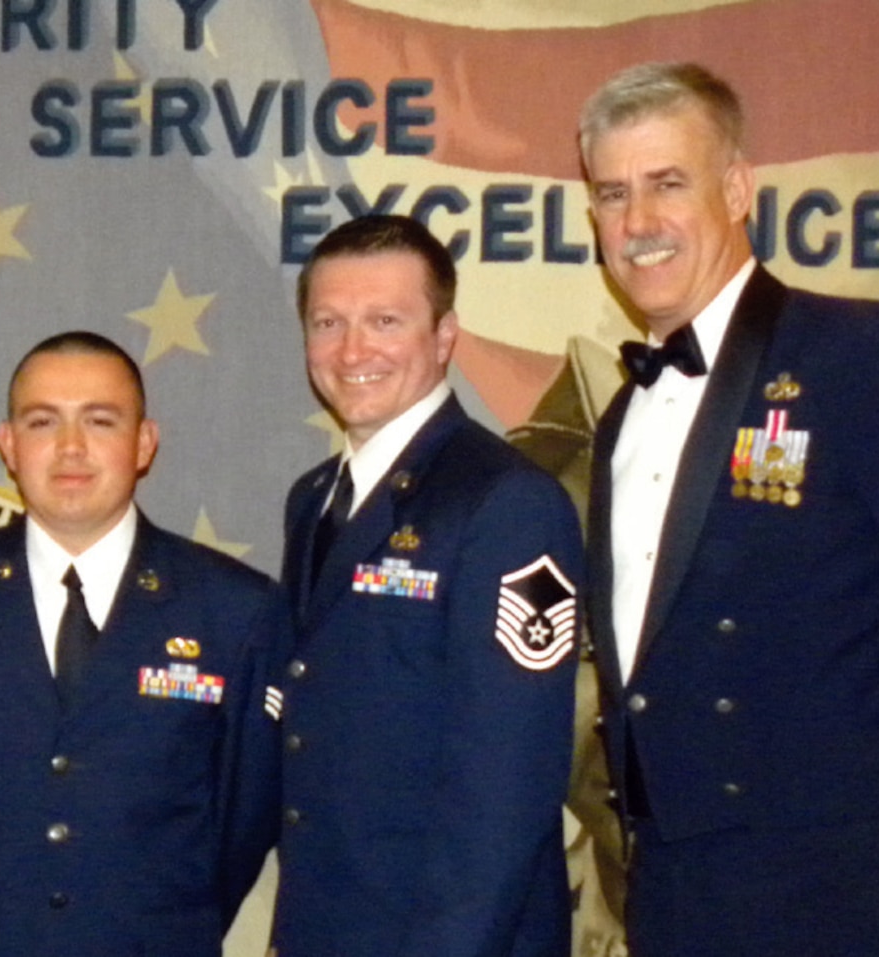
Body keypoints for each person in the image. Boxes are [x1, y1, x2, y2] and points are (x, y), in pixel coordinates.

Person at [578, 61, 879, 955]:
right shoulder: (622, 416)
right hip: (669, 888)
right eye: (613, 193)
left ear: (736, 190)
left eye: (668, 183)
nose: (638, 221)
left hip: (826, 891)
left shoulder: (864, 356)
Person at [0, 331, 288, 956]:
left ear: (144, 443)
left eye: (100, 421)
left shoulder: (233, 607)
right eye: (43, 421)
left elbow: (244, 816)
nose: (71, 447)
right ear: (8, 444)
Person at [271, 214, 582, 957]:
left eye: (385, 321)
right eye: (328, 322)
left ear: (444, 337)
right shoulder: (313, 499)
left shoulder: (508, 502)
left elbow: (509, 783)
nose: (353, 351)